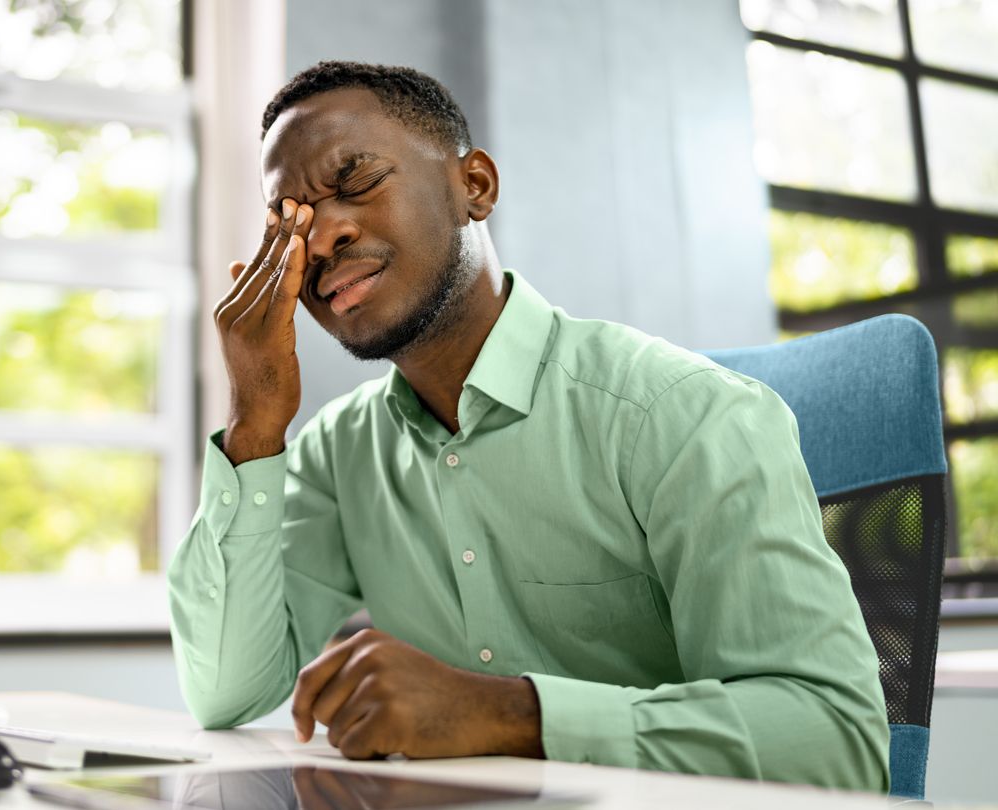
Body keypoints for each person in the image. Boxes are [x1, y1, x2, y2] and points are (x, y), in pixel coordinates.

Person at [167, 60, 889, 792]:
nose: (319, 240)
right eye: (287, 221)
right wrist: (254, 421)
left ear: (473, 187)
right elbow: (226, 691)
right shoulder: (339, 454)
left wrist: (508, 713)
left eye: (354, 182)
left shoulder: (681, 415)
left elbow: (836, 741)